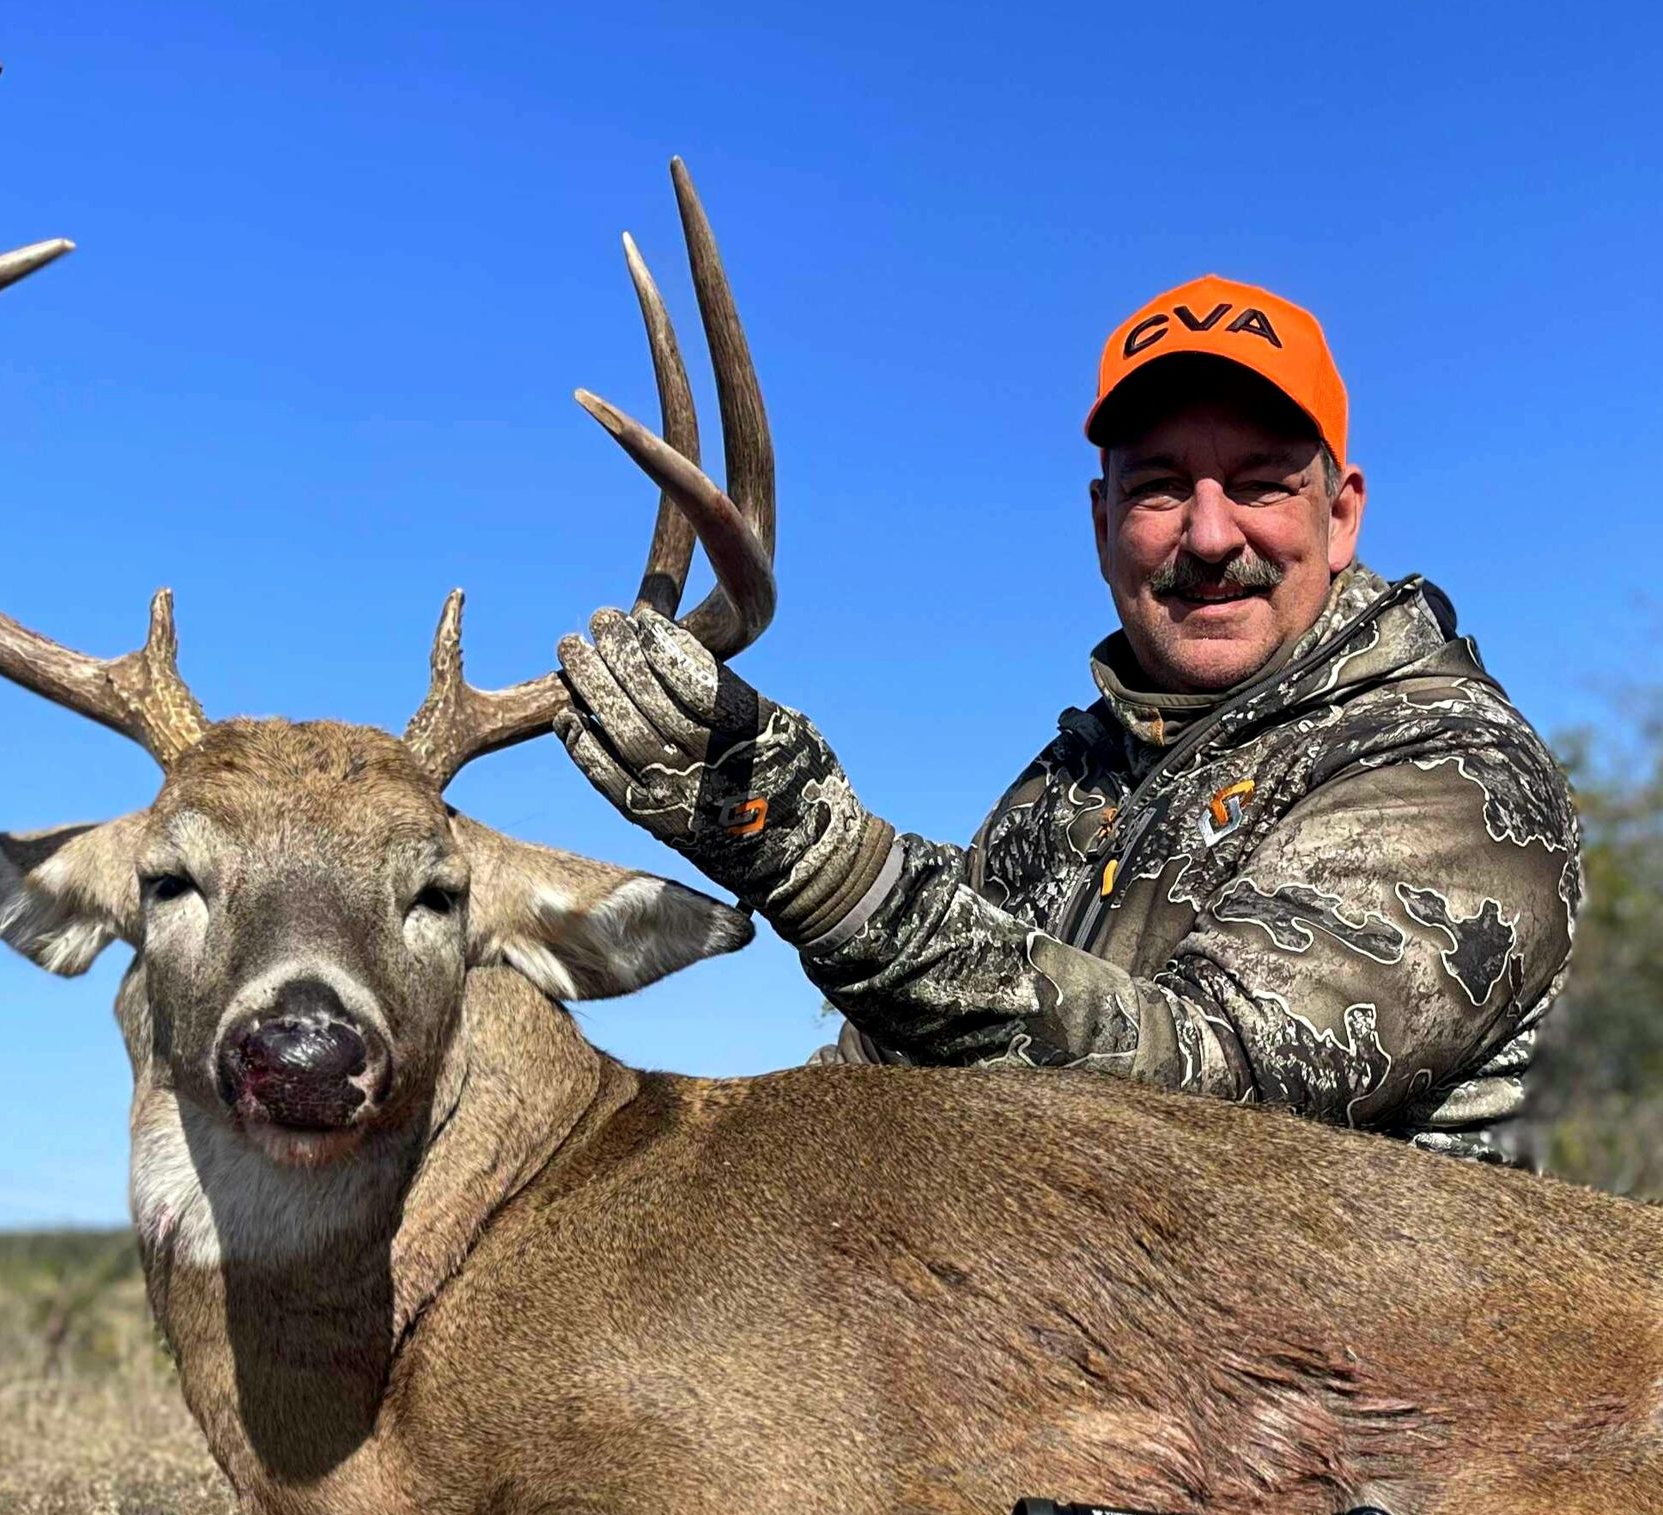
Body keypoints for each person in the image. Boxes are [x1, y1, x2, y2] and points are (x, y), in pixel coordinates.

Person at [554, 276, 1580, 1158]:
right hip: (1066, 1348)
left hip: (1373, 1368)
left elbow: (1207, 1094)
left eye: (1262, 484)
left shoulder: (1459, 776)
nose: (1212, 535)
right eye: (1161, 491)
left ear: (1342, 513)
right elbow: (883, 1065)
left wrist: (823, 864)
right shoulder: (1075, 783)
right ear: (1102, 524)